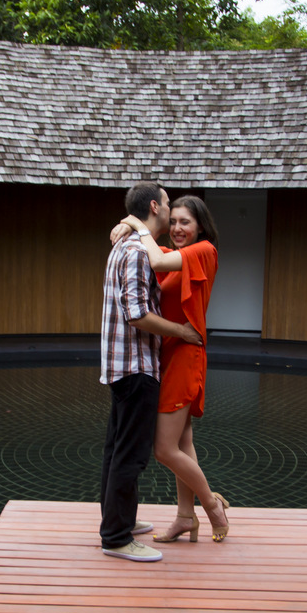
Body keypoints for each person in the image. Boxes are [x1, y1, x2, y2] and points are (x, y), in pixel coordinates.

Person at [112, 195, 229, 543]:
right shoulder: (179, 255)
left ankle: (212, 507)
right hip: (170, 353)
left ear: (201, 226)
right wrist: (128, 225)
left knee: (164, 449)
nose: (177, 228)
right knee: (182, 442)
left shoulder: (204, 251)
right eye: (173, 221)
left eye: (185, 222)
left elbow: (157, 260)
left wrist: (134, 223)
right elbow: (156, 254)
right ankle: (184, 517)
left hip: (185, 354)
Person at [99, 182, 201, 562]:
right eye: (169, 205)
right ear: (155, 207)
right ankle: (117, 538)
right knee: (131, 456)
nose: (171, 213)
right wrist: (181, 332)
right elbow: (137, 314)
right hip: (136, 366)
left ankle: (117, 520)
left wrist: (128, 223)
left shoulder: (124, 245)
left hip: (121, 365)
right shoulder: (138, 252)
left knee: (116, 451)